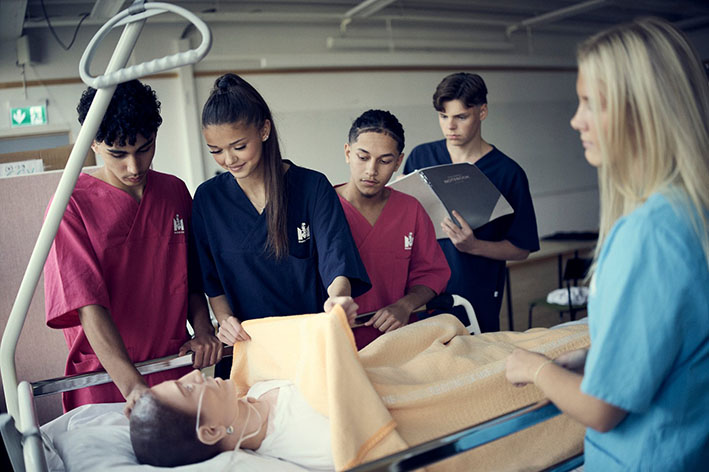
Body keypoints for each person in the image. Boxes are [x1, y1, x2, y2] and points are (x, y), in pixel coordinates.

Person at [506, 17, 709, 470]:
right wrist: (598, 355)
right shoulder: (691, 210)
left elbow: (602, 410)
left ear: (642, 110)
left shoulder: (649, 232)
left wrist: (536, 368)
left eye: (589, 103)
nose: (575, 120)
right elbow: (677, 337)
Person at [44, 80, 222, 413]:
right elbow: (87, 306)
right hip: (107, 379)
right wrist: (134, 388)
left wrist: (202, 329)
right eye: (118, 154)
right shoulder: (71, 206)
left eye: (144, 148)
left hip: (172, 367)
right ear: (94, 143)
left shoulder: (174, 193)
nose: (134, 167)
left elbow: (192, 279)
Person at [191, 73, 370, 353]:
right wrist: (224, 320)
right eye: (215, 150)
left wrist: (338, 299)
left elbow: (336, 258)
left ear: (264, 131)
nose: (229, 160)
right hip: (250, 349)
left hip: (312, 344)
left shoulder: (311, 187)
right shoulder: (208, 199)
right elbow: (211, 279)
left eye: (239, 147)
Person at [403, 72, 539, 332]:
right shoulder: (421, 157)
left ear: (482, 112)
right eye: (443, 116)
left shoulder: (508, 172)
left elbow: (521, 249)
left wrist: (474, 246)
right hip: (421, 291)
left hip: (477, 290)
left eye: (461, 117)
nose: (449, 127)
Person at [335, 109, 450, 348]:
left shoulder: (410, 210)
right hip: (339, 344)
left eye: (385, 161)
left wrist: (405, 305)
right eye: (363, 157)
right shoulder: (324, 207)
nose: (371, 170)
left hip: (398, 340)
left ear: (399, 162)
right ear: (348, 153)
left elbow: (431, 273)